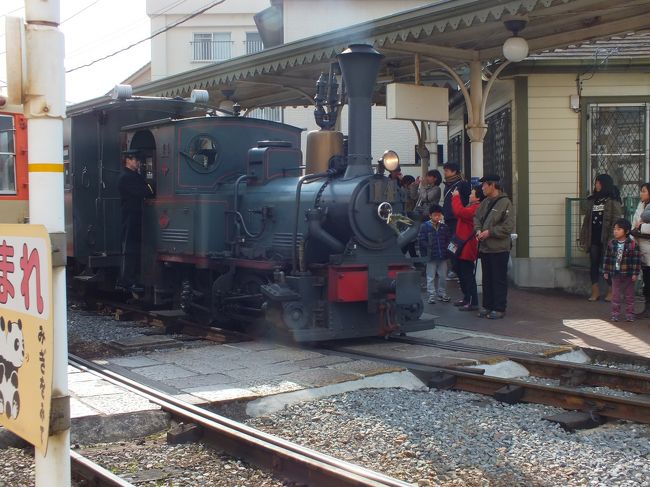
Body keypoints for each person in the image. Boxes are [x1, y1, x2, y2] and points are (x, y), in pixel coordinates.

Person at [473, 174, 515, 319]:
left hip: (499, 248)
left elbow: (508, 227)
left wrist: (489, 232)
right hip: (485, 248)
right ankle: (487, 306)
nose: (482, 188)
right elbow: (477, 218)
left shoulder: (506, 202)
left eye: (485, 185)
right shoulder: (484, 202)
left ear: (493, 185)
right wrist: (478, 230)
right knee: (487, 279)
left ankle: (499, 308)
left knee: (498, 279)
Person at [579, 174, 624, 302]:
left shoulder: (612, 200)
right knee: (593, 263)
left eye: (599, 183)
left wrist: (613, 238)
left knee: (608, 265)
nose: (596, 185)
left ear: (605, 184)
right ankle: (595, 291)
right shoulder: (592, 200)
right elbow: (587, 221)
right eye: (596, 183)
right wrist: (583, 236)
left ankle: (612, 291)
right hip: (594, 237)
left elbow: (617, 220)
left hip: (607, 238)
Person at [118, 149, 154, 293]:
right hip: (130, 216)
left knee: (135, 247)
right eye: (135, 160)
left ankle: (134, 278)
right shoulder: (126, 177)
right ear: (128, 160)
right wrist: (148, 188)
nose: (138, 163)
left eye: (139, 160)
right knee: (130, 248)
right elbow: (145, 191)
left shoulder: (134, 176)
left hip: (137, 215)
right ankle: (127, 280)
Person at [451, 185, 485, 311]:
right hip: (461, 243)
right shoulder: (472, 206)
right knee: (460, 271)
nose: (470, 195)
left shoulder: (476, 208)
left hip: (467, 245)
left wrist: (456, 197)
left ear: (477, 198)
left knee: (467, 274)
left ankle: (473, 301)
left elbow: (459, 211)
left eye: (472, 194)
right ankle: (466, 297)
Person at [602, 218, 641, 322]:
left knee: (629, 296)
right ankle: (615, 314)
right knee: (615, 295)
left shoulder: (632, 244)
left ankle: (630, 314)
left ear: (626, 231)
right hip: (616, 273)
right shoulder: (612, 244)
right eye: (614, 229)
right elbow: (607, 258)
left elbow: (636, 260)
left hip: (628, 274)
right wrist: (606, 271)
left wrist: (635, 273)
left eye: (619, 229)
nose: (615, 231)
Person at [441, 162, 471, 280]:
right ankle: (456, 268)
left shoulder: (462, 184)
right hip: (449, 219)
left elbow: (467, 201)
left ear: (454, 171)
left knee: (455, 244)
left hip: (457, 220)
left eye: (447, 170)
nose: (445, 172)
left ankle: (457, 270)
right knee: (451, 245)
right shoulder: (448, 185)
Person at [418, 204, 451, 304]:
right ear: (430, 215)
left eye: (439, 215)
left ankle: (442, 293)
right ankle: (431, 295)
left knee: (442, 276)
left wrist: (447, 251)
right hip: (431, 256)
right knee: (430, 277)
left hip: (442, 256)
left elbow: (447, 240)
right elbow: (421, 240)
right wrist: (427, 249)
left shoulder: (444, 227)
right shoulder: (425, 226)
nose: (437, 217)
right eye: (435, 215)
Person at [631, 183, 650, 314]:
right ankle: (647, 309)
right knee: (646, 280)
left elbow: (643, 227)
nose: (641, 193)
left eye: (644, 191)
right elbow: (634, 224)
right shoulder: (640, 205)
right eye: (641, 191)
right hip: (641, 247)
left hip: (648, 247)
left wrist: (640, 227)